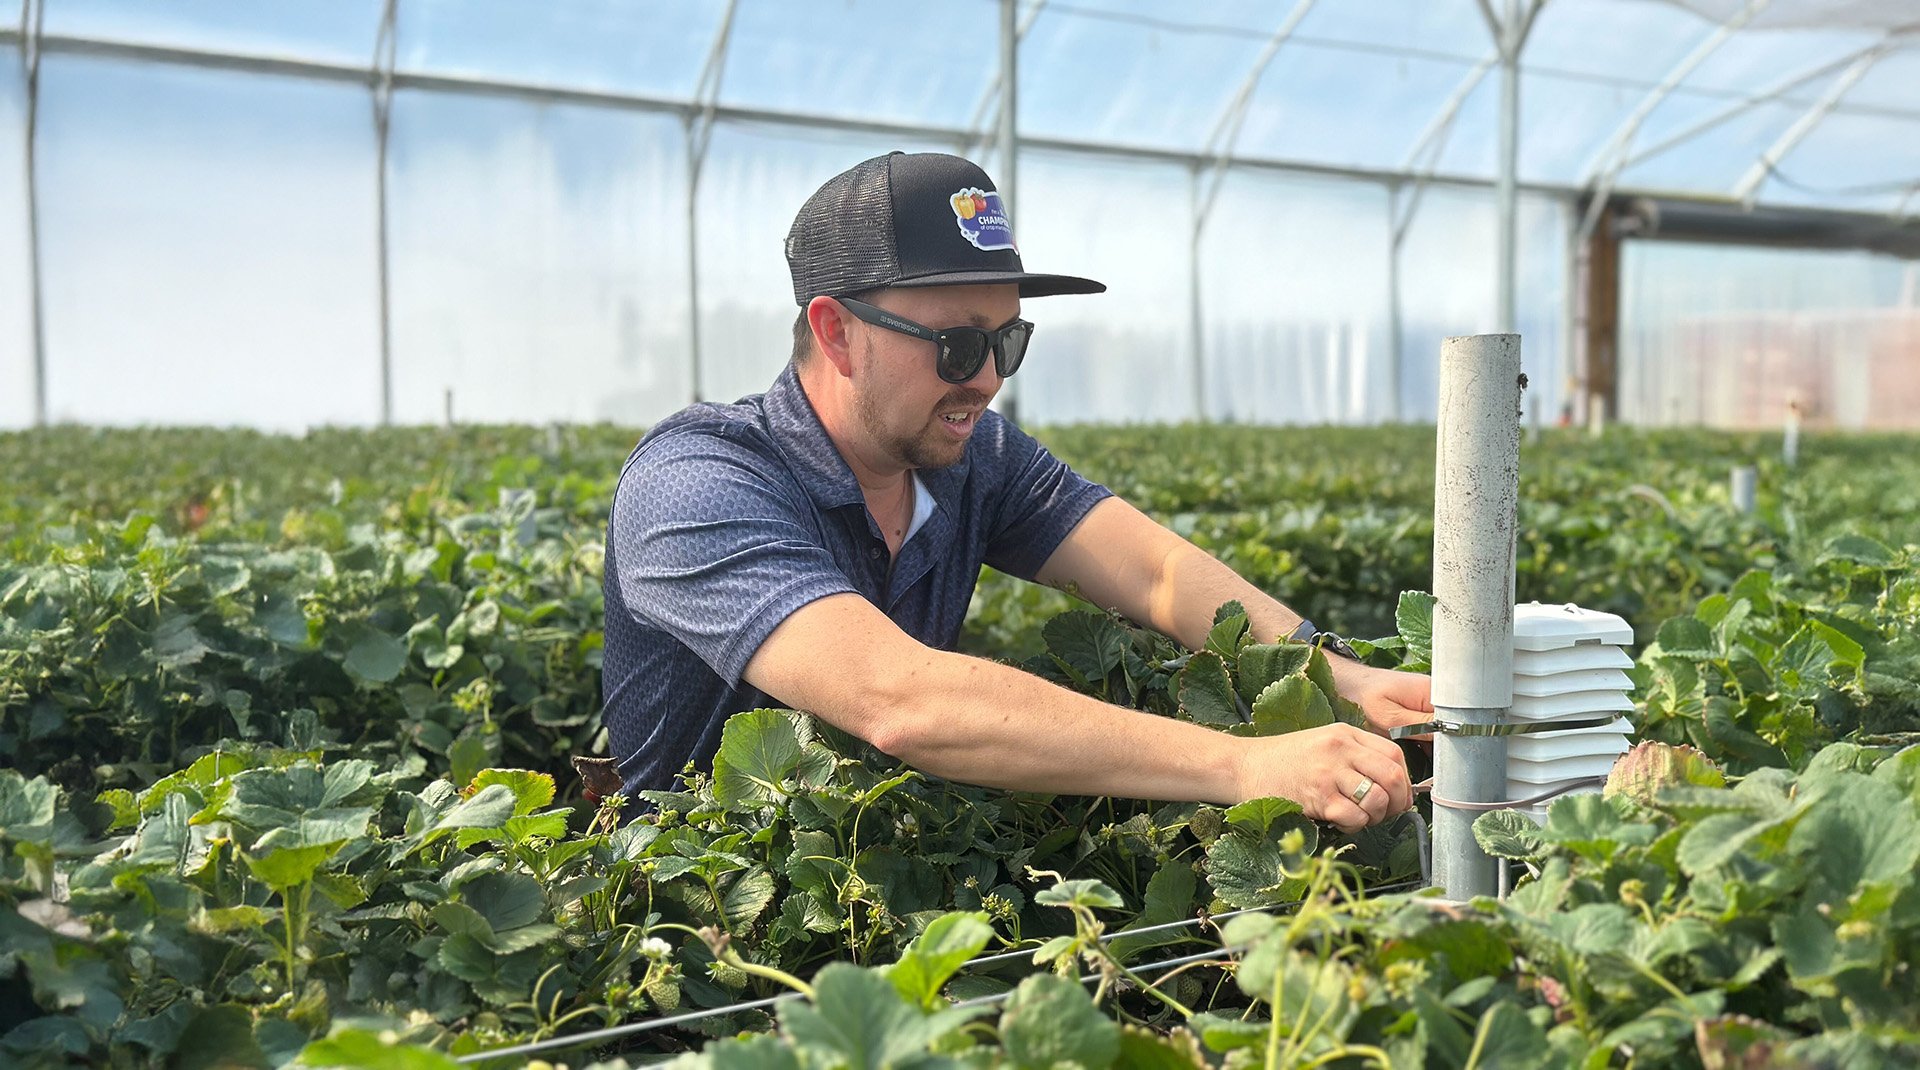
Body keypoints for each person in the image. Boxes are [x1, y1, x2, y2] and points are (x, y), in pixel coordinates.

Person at [602, 151, 1429, 832]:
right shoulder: (694, 484)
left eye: (1009, 340)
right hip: (692, 930)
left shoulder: (969, 455)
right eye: (960, 345)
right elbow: (903, 699)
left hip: (877, 856)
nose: (990, 380)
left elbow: (1156, 573)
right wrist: (1245, 763)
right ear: (835, 332)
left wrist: (1329, 670)